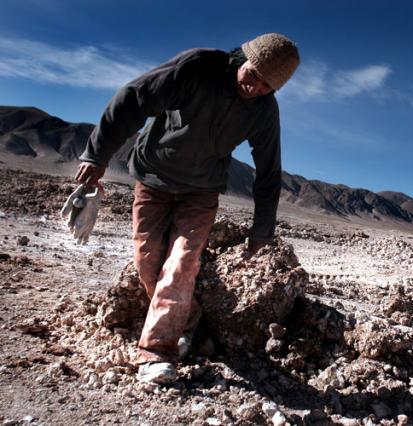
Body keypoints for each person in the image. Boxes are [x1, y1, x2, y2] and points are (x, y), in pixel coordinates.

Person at [74, 33, 300, 384]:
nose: (255, 88)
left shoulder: (264, 111)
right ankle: (189, 319)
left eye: (268, 86)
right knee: (148, 262)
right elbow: (134, 98)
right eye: (253, 75)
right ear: (243, 58)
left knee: (182, 263)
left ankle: (156, 353)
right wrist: (97, 154)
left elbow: (269, 171)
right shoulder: (198, 67)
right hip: (153, 178)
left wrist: (262, 230)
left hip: (202, 191)